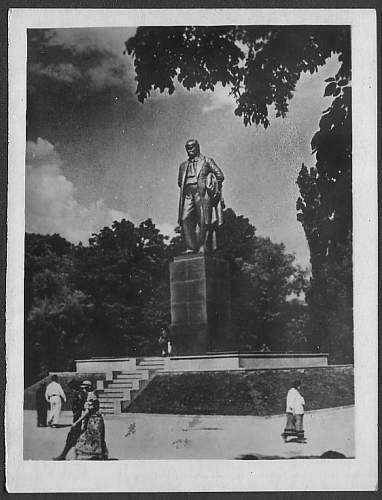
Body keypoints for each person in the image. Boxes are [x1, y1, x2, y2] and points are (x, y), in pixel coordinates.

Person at [178, 139, 225, 253]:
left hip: (203, 193)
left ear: (197, 147)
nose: (189, 151)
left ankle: (203, 246)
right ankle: (191, 247)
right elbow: (180, 182)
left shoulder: (207, 161)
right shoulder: (183, 165)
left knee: (203, 220)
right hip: (188, 194)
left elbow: (220, 175)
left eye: (192, 148)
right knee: (185, 218)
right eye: (187, 149)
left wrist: (211, 186)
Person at [53, 380, 95, 460]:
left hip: (79, 420)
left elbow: (84, 409)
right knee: (76, 439)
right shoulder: (81, 394)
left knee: (73, 438)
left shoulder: (80, 394)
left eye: (72, 389)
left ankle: (64, 456)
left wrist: (78, 421)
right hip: (79, 419)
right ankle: (66, 455)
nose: (72, 390)